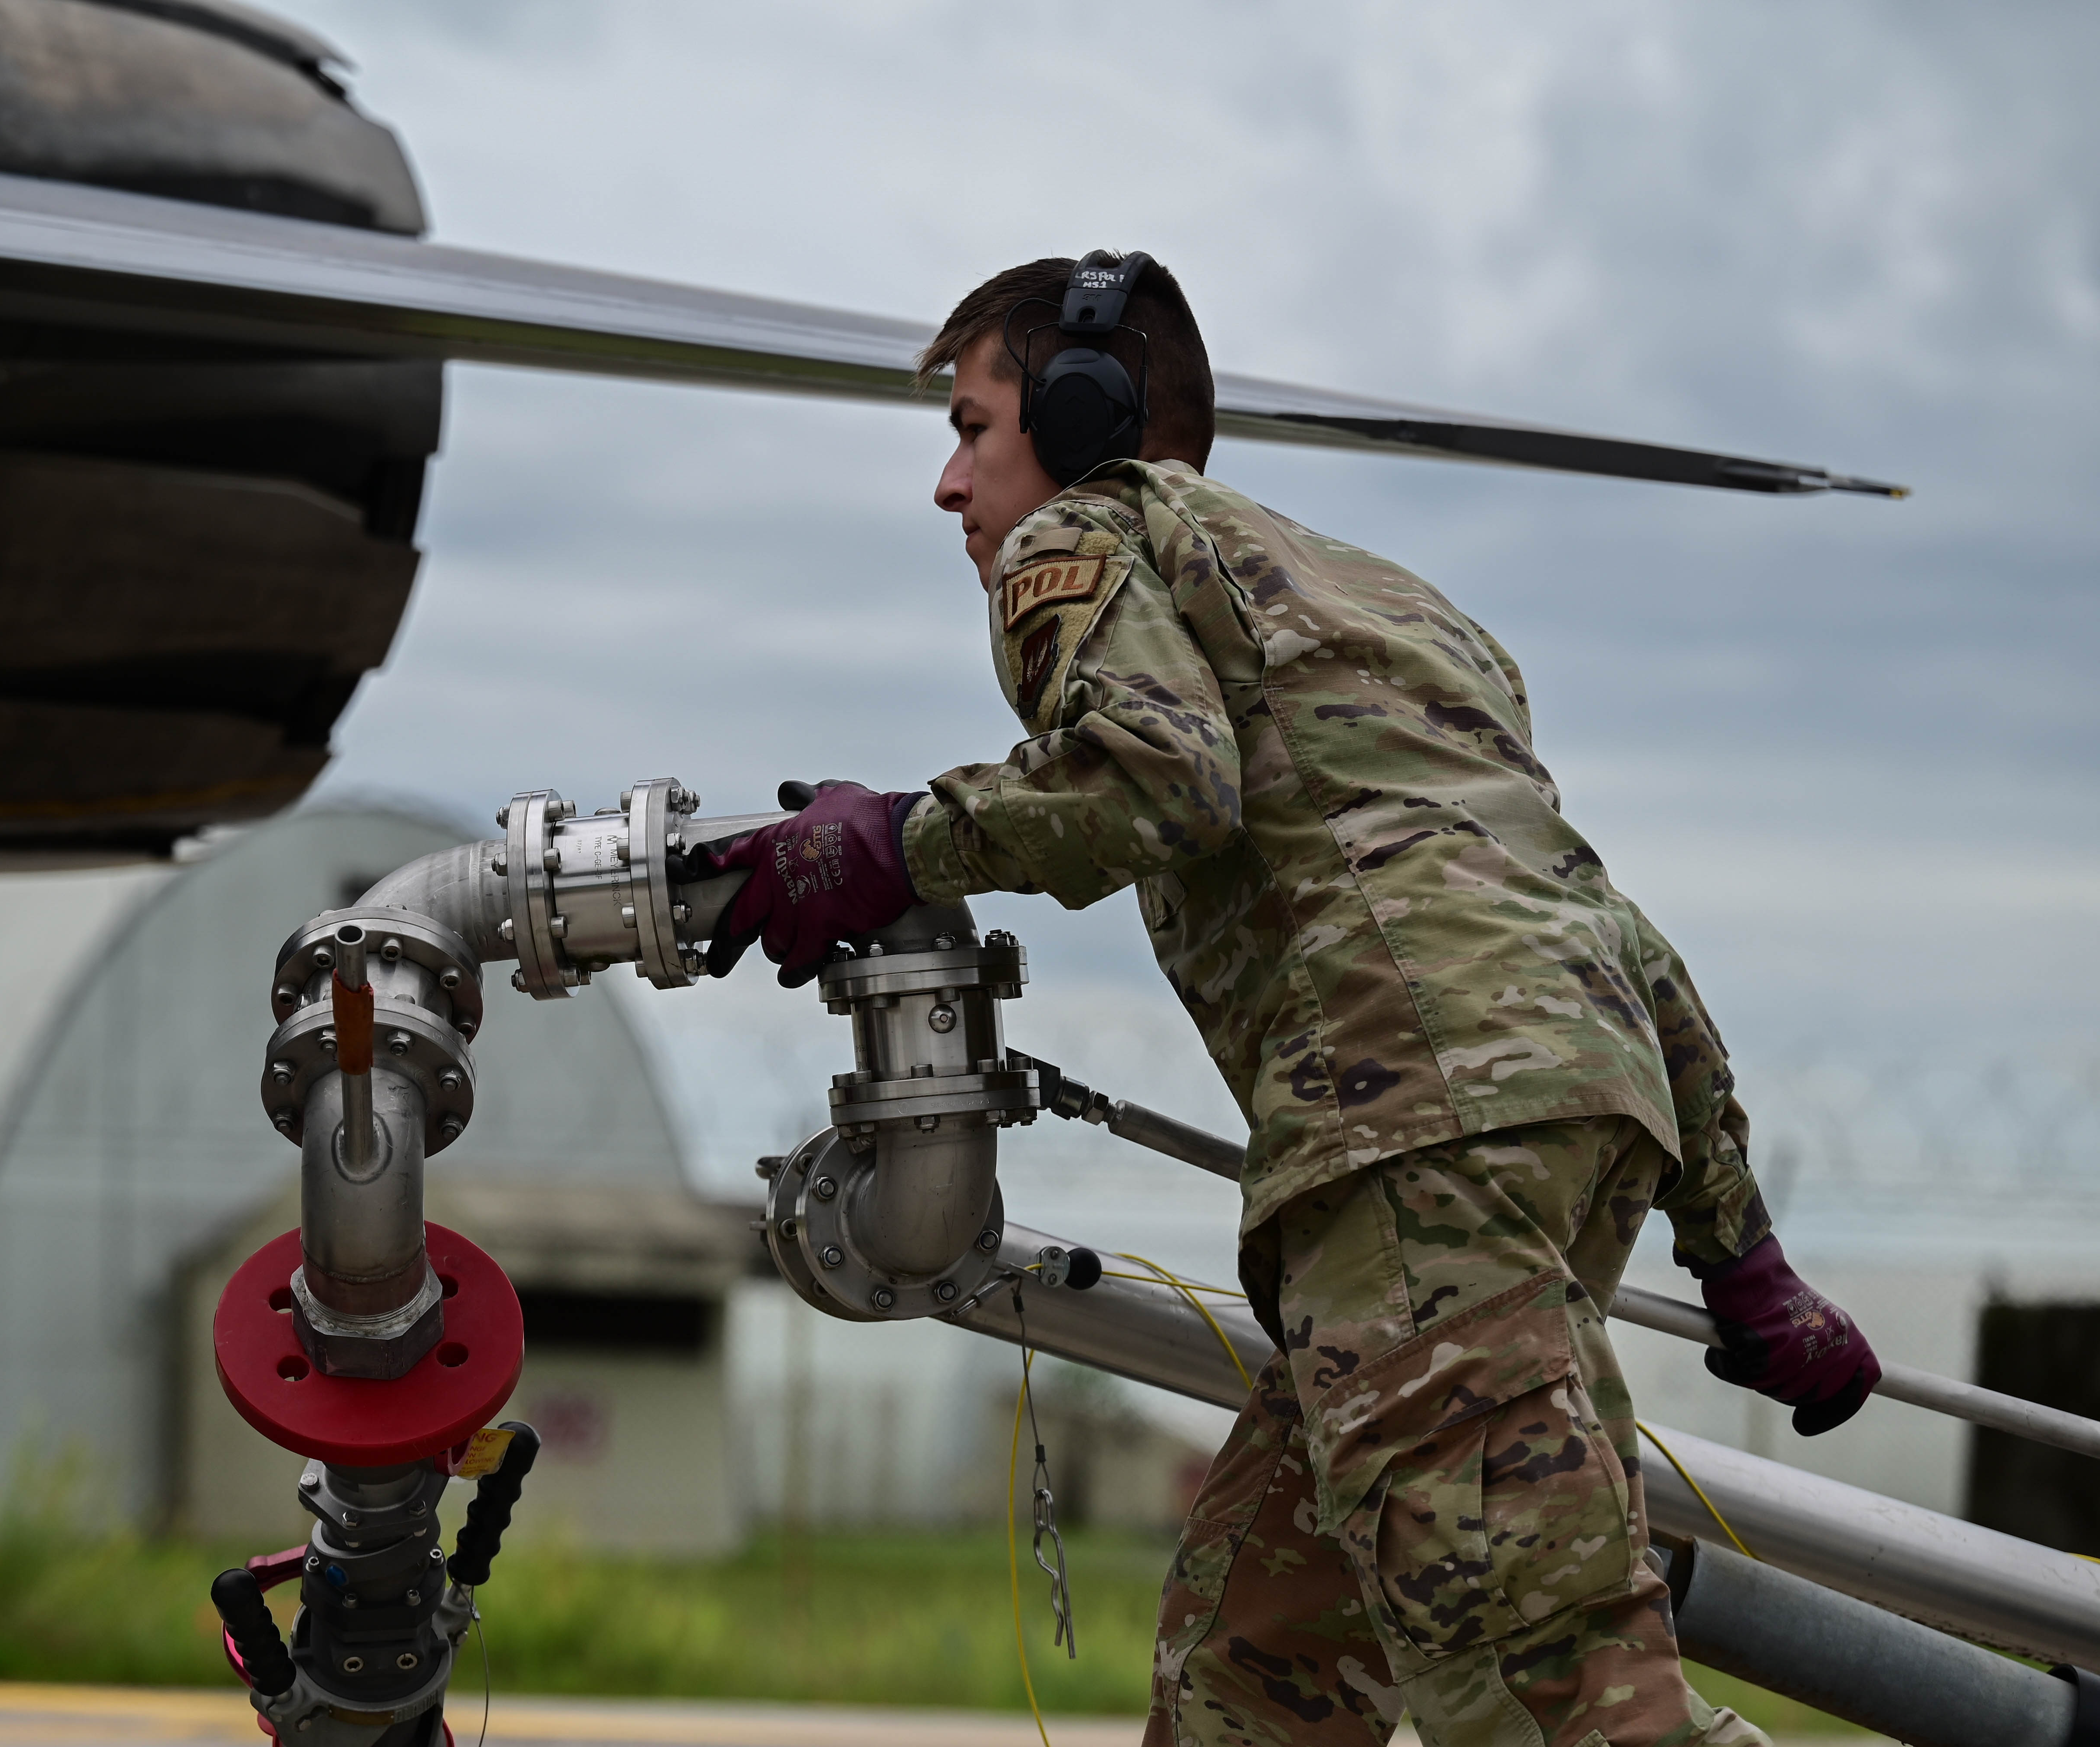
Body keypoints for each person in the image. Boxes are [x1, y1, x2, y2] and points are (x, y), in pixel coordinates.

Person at [699, 253, 1880, 1747]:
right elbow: (1606, 930)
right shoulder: (1393, 609)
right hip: (1573, 1124)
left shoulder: (1082, 537)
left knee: (1550, 1699)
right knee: (1256, 1678)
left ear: (1079, 420)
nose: (948, 484)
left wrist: (890, 845)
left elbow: (1158, 780)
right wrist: (1744, 1252)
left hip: (1414, 1156)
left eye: (972, 426)